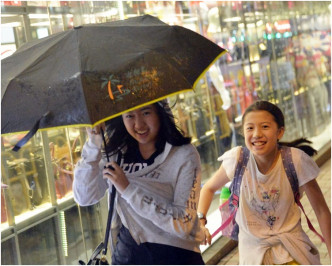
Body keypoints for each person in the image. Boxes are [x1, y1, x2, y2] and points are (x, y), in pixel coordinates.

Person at [197, 100, 331, 265]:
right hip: (253, 257)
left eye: (265, 127)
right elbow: (208, 188)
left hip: (292, 253)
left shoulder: (295, 160)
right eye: (250, 128)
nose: (257, 134)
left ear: (280, 132)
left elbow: (321, 211)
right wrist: (201, 221)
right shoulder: (237, 160)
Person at [73, 100, 205, 265]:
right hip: (128, 256)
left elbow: (183, 224)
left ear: (160, 112)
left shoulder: (184, 154)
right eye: (129, 115)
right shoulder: (115, 153)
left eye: (146, 113)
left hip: (175, 256)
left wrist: (128, 189)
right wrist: (93, 144)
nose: (139, 124)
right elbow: (84, 197)